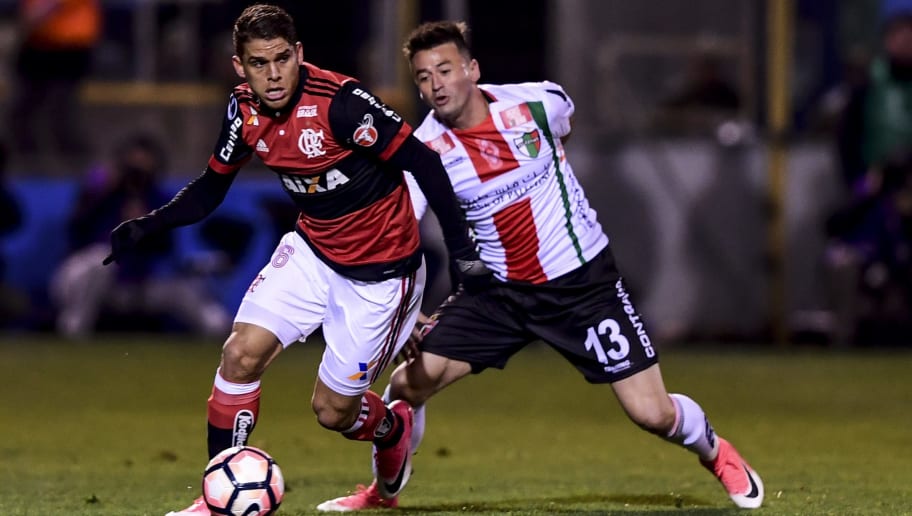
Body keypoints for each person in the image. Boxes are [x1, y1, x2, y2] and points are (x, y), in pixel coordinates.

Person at [317, 21, 764, 511]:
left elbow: (565, 122)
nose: (435, 85)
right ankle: (383, 496)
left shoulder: (538, 104)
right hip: (499, 294)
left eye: (445, 70)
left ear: (473, 69)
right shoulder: (424, 152)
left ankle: (716, 453)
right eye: (423, 77)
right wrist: (407, 312)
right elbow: (399, 232)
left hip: (581, 286)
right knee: (406, 386)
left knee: (652, 413)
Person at [99, 5, 488, 516]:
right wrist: (149, 224)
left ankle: (390, 429)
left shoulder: (341, 104)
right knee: (239, 355)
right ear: (240, 67)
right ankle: (218, 497)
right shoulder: (243, 109)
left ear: (299, 54)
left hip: (381, 273)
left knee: (333, 412)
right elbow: (212, 187)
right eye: (259, 63)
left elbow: (425, 162)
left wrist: (462, 252)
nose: (273, 73)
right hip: (313, 251)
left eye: (282, 58)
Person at [50, 133, 231, 338]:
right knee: (97, 262)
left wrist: (144, 227)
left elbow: (165, 248)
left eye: (143, 171)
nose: (136, 177)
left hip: (135, 284)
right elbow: (76, 231)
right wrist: (107, 194)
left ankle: (220, 330)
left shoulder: (159, 200)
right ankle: (72, 332)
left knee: (184, 289)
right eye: (132, 169)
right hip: (87, 280)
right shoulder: (100, 193)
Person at [9, 0, 101, 158]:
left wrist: (45, 8)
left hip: (71, 46)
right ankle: (24, 152)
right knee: (26, 103)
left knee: (63, 104)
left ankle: (69, 156)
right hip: (36, 43)